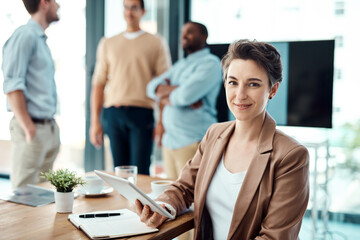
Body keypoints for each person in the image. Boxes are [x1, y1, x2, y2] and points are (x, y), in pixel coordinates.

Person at [135, 39, 310, 239]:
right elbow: (184, 187)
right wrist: (163, 206)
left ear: (272, 90)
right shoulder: (214, 134)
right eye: (233, 82)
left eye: (253, 84)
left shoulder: (291, 156)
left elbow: (275, 237)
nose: (240, 95)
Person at [89, 0, 171, 174]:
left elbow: (165, 84)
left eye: (134, 8)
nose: (129, 12)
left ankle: (139, 203)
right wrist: (95, 121)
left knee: (140, 172)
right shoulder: (107, 43)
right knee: (119, 173)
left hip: (142, 114)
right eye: (126, 7)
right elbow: (98, 84)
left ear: (143, 11)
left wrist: (162, 122)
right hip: (113, 114)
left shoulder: (156, 42)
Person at [147, 21, 222, 180]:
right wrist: (178, 90)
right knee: (172, 198)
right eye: (182, 32)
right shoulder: (180, 65)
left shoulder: (211, 64)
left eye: (189, 31)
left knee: (193, 199)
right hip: (170, 142)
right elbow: (151, 88)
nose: (184, 35)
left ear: (204, 36)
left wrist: (168, 94)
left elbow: (184, 96)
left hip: (192, 141)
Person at [2, 0, 61, 189]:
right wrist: (28, 128)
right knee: (22, 194)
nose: (58, 5)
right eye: (55, 1)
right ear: (44, 3)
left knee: (43, 194)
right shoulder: (25, 36)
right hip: (32, 129)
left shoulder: (40, 40)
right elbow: (12, 86)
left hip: (47, 127)